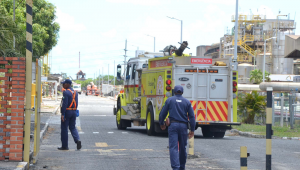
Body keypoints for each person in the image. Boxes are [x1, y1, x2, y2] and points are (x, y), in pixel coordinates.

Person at [159, 85, 195, 170]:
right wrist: (192, 129)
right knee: (183, 148)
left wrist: (161, 123)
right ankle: (182, 167)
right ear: (182, 92)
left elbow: (163, 113)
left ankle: (176, 167)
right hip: (183, 126)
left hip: (173, 126)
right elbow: (192, 116)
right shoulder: (187, 102)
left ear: (174, 92)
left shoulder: (169, 100)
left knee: (173, 147)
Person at [58, 79, 82, 150]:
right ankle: (77, 140)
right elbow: (76, 103)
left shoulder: (66, 92)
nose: (63, 85)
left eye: (64, 84)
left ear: (68, 84)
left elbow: (64, 104)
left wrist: (62, 114)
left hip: (67, 112)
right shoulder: (75, 92)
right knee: (72, 127)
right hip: (74, 112)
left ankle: (65, 146)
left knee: (64, 129)